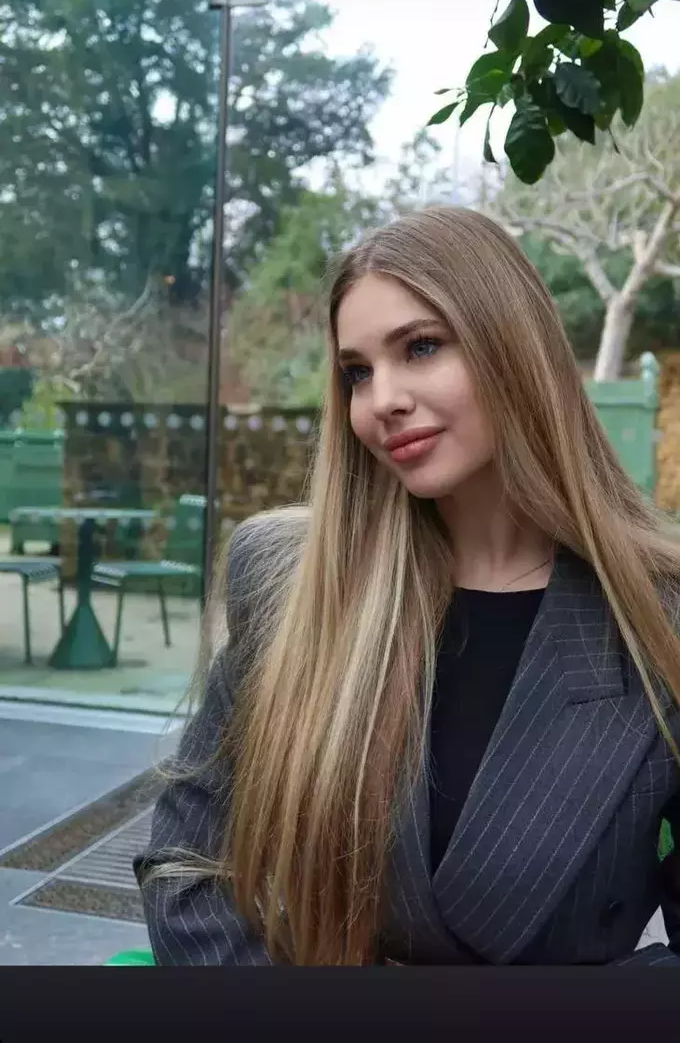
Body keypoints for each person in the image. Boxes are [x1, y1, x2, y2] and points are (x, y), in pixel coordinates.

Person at [135, 206, 680, 966]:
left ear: (514, 347)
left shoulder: (658, 613)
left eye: (420, 346)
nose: (381, 398)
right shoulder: (289, 578)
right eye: (356, 372)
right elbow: (188, 862)